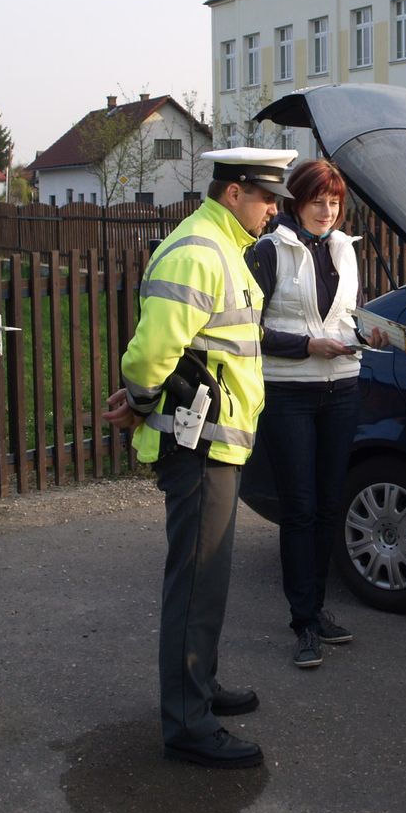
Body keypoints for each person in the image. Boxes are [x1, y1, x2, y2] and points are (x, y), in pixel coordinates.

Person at [102, 146, 295, 769]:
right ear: (233, 192)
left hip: (216, 442)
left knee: (207, 578)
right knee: (195, 582)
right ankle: (187, 723)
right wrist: (137, 397)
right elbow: (149, 353)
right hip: (199, 445)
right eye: (268, 197)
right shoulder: (199, 250)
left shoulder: (222, 247)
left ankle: (200, 686)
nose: (274, 210)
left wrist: (139, 395)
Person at [246, 159, 386, 669]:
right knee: (300, 509)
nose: (327, 211)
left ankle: (318, 610)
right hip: (289, 393)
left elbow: (347, 315)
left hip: (341, 387)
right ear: (295, 202)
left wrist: (367, 333)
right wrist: (308, 345)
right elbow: (249, 330)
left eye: (334, 203)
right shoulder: (267, 250)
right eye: (317, 201)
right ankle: (303, 621)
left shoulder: (344, 249)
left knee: (330, 505)